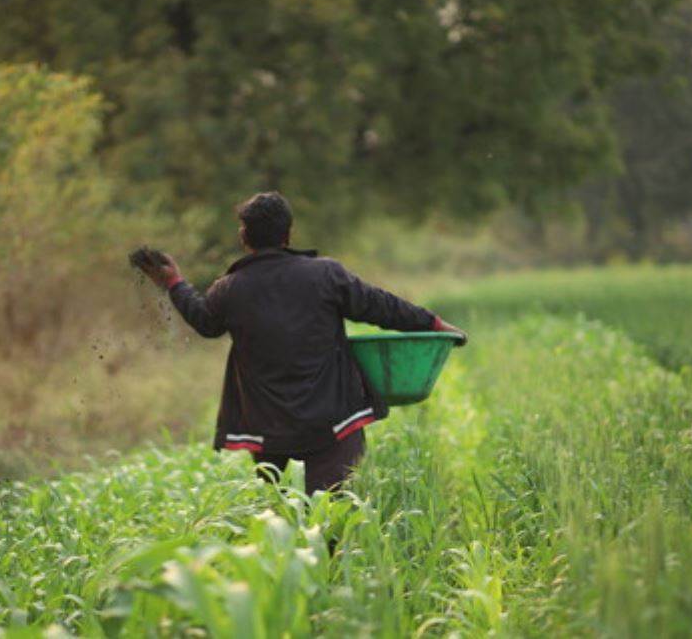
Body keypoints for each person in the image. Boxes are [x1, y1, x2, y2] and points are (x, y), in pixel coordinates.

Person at [136, 191, 467, 495]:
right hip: (334, 421)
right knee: (331, 514)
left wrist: (174, 282)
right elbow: (381, 307)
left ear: (243, 236)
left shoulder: (229, 289)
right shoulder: (325, 275)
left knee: (283, 515)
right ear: (288, 234)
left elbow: (205, 322)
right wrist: (434, 323)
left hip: (268, 428)